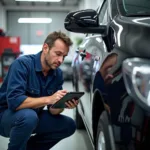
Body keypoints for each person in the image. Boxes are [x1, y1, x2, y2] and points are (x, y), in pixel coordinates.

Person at [0, 31, 79, 150]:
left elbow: (53, 111)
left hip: (33, 117)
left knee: (68, 125)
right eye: (58, 54)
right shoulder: (22, 64)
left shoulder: (57, 74)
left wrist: (62, 104)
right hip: (6, 117)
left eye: (64, 56)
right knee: (29, 116)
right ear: (45, 48)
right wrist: (49, 99)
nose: (60, 60)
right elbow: (14, 102)